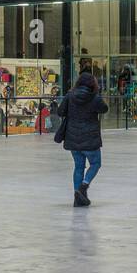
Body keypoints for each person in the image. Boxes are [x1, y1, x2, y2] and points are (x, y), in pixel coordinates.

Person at [55, 72, 108, 207]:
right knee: (95, 164)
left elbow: (60, 111)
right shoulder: (94, 98)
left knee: (78, 167)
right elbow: (104, 109)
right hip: (90, 139)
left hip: (72, 138)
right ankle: (83, 187)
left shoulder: (70, 96)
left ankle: (77, 198)